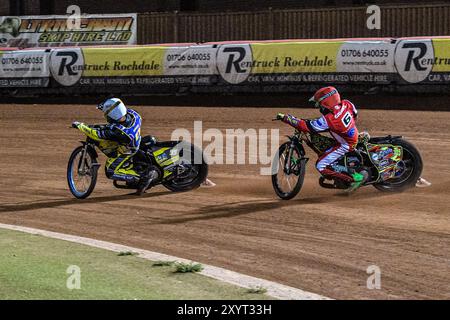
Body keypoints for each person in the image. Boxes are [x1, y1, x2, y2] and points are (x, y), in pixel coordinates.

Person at [276, 86, 368, 191]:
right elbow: (355, 115)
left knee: (321, 165)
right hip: (352, 135)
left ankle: (355, 177)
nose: (320, 108)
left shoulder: (329, 119)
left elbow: (306, 127)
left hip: (345, 144)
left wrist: (287, 118)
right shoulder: (347, 103)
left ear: (326, 102)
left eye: (320, 104)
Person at [72, 98, 156, 195]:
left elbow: (96, 134)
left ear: (112, 114)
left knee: (110, 171)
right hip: (134, 139)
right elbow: (115, 118)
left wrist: (81, 126)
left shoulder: (118, 131)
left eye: (106, 114)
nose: (105, 116)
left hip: (128, 148)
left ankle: (144, 176)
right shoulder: (133, 114)